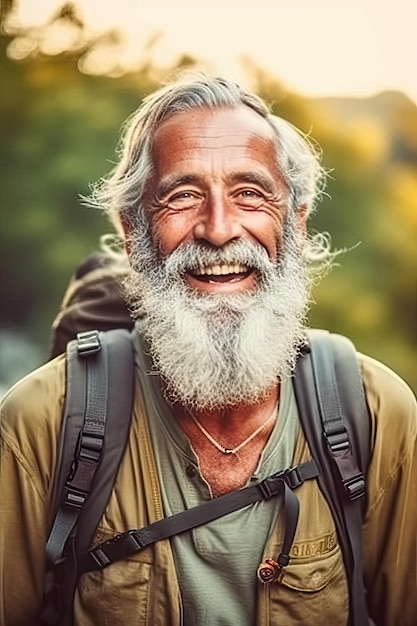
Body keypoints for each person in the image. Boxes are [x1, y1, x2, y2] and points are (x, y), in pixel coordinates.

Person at [1, 72, 416, 626]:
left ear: (294, 219)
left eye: (249, 193)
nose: (219, 230)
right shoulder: (39, 423)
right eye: (183, 195)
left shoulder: (376, 411)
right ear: (132, 229)